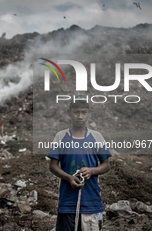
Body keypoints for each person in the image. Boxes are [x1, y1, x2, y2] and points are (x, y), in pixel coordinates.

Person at [47, 95, 112, 231]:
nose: (80, 116)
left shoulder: (96, 137)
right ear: (69, 112)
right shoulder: (61, 136)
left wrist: (91, 171)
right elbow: (53, 166)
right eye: (76, 112)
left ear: (89, 113)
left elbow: (106, 165)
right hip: (67, 201)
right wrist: (69, 177)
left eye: (84, 112)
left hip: (91, 201)